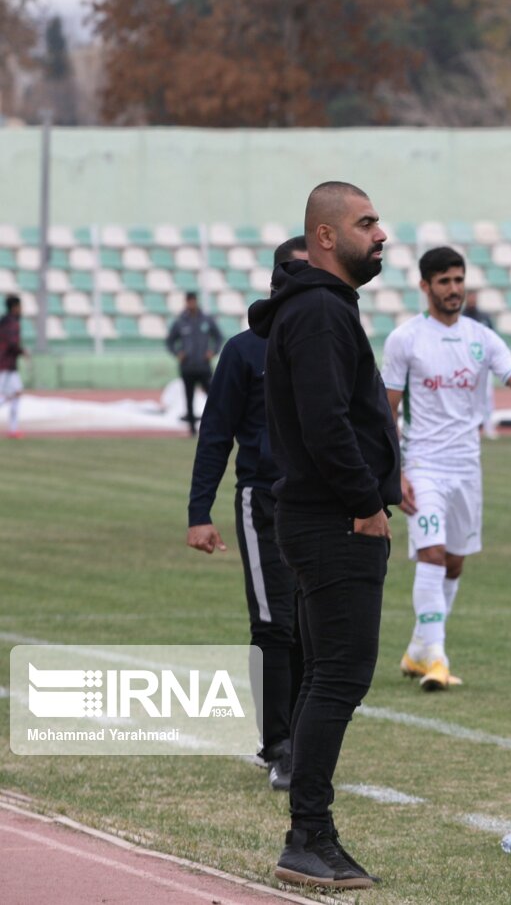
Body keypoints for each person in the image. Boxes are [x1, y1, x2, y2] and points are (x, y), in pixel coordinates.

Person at [248, 182, 399, 890]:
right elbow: (325, 422)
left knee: (325, 675)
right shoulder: (316, 313)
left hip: (321, 516)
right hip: (334, 521)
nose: (382, 234)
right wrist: (366, 501)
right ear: (327, 237)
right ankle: (309, 834)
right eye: (367, 223)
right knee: (339, 674)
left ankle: (310, 831)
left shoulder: (320, 309)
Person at [382, 246, 511, 692]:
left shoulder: (481, 337)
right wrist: (395, 472)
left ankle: (418, 649)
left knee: (453, 563)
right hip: (423, 465)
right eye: (444, 281)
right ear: (425, 286)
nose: (454, 289)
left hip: (466, 468)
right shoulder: (405, 339)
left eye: (458, 280)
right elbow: (385, 410)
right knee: (431, 554)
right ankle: (438, 658)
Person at [185, 235, 307, 793]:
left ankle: (303, 740)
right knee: (273, 621)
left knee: (311, 626)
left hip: (320, 504)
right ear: (277, 278)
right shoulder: (241, 350)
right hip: (263, 499)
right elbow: (215, 435)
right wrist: (199, 512)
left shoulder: (332, 340)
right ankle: (277, 745)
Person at [166, 290, 224, 435]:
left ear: (195, 301)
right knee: (189, 398)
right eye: (189, 301)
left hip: (204, 367)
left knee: (212, 397)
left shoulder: (206, 319)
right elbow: (170, 341)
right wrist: (177, 353)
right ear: (186, 302)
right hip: (187, 367)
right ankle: (192, 429)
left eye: (193, 300)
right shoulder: (180, 321)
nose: (191, 303)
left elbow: (218, 337)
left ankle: (217, 425)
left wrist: (213, 351)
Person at [461, 289, 499, 440]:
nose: (472, 299)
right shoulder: (460, 317)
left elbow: (493, 338)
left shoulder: (484, 317)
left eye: (474, 297)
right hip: (464, 363)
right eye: (469, 297)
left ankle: (489, 426)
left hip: (483, 362)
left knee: (487, 395)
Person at [1, 294, 28, 438]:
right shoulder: (11, 323)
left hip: (9, 365)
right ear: (15, 307)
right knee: (6, 395)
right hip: (4, 364)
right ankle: (13, 428)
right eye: (20, 306)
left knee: (16, 392)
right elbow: (11, 343)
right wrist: (22, 351)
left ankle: (13, 429)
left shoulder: (5, 321)